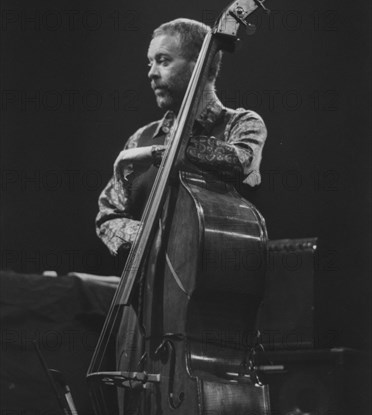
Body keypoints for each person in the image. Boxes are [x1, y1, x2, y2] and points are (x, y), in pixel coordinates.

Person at [96, 18, 267, 256]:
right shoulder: (141, 137)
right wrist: (150, 238)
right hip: (147, 286)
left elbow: (240, 162)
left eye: (163, 61)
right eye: (150, 63)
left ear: (201, 65)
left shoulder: (241, 124)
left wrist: (158, 154)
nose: (152, 74)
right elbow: (108, 214)